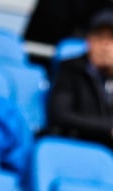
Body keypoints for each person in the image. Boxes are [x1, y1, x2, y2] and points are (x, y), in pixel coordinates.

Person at [47, 8, 113, 148]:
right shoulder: (70, 69)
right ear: (89, 41)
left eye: (111, 38)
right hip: (74, 144)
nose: (105, 45)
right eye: (100, 37)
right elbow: (60, 115)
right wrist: (108, 128)